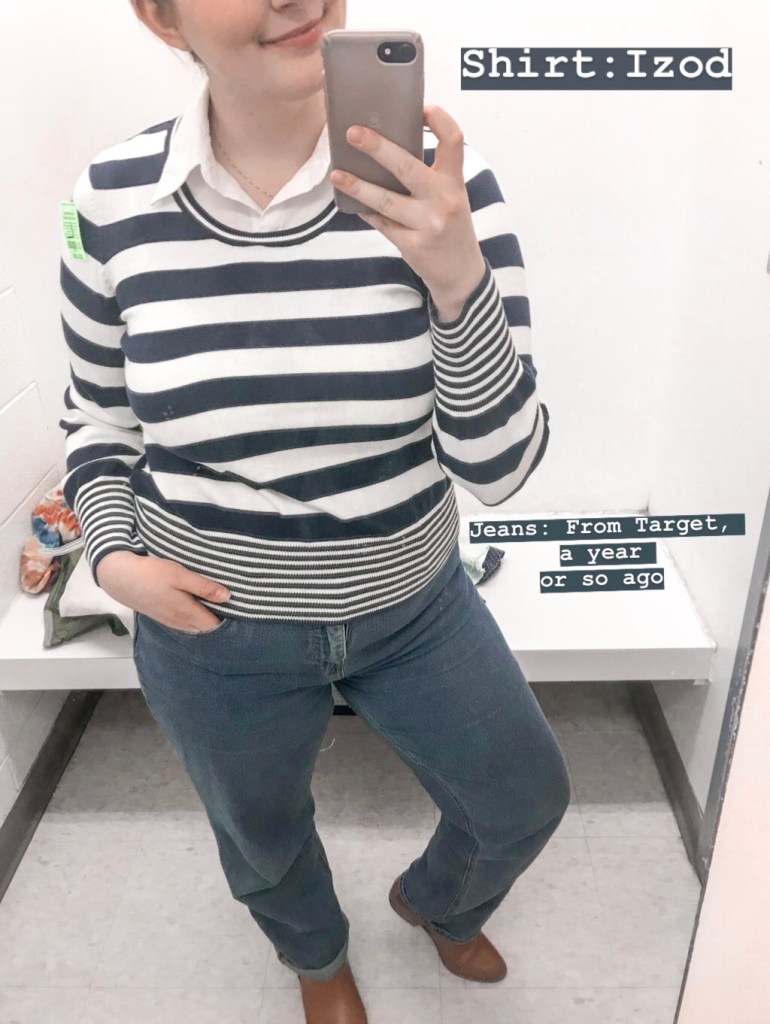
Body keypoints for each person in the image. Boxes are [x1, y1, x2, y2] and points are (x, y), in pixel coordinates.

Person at [58, 1, 571, 1021]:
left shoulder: (443, 185)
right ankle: (315, 956)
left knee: (523, 798)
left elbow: (500, 468)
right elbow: (98, 417)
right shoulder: (110, 199)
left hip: (414, 608)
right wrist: (111, 558)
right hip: (213, 628)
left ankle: (439, 902)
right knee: (260, 833)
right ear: (161, 17)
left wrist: (456, 278)